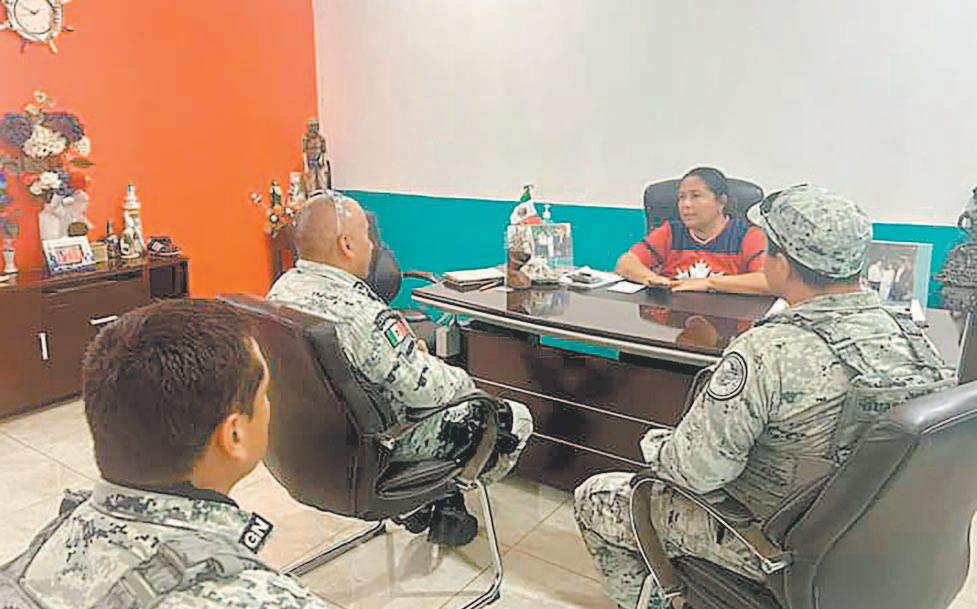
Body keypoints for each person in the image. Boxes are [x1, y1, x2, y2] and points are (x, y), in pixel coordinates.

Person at [575, 185, 956, 609]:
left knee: (597, 496)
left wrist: (659, 445)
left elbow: (695, 474)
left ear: (782, 264)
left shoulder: (767, 350)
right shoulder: (916, 339)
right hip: (883, 544)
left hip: (775, 547)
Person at [2, 299, 338, 608]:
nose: (270, 405)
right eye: (264, 393)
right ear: (234, 435)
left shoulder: (51, 544)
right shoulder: (261, 599)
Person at [267, 192, 534, 546]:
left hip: (312, 452)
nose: (372, 245)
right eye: (366, 235)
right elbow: (433, 392)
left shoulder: (280, 292)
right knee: (513, 416)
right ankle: (441, 492)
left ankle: (429, 501)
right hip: (380, 453)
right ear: (347, 245)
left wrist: (404, 354)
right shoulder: (362, 315)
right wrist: (444, 370)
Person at [616, 167, 769, 295]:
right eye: (681, 197)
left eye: (696, 196)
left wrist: (708, 283)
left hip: (728, 317)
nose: (686, 204)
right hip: (673, 315)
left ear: (721, 201)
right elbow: (625, 263)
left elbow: (768, 281)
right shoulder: (670, 232)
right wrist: (650, 278)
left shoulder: (748, 236)